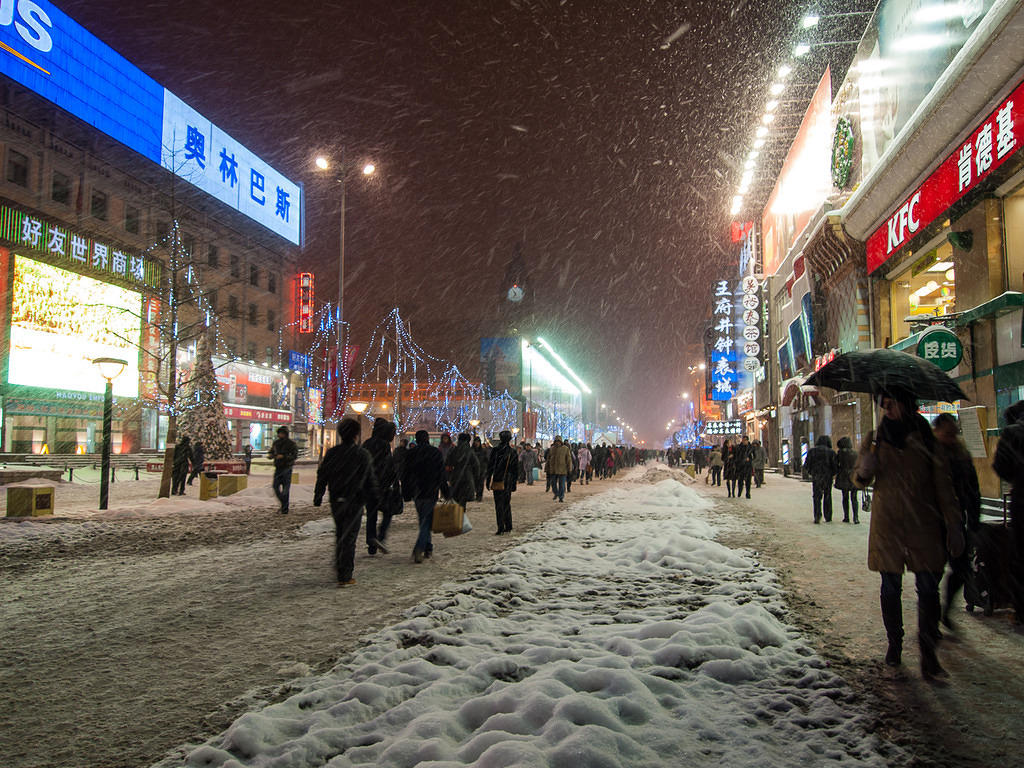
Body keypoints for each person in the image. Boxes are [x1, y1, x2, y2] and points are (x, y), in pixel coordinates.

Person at [854, 389, 964, 677]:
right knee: (890, 588)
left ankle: (928, 654)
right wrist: (865, 470)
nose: (886, 409)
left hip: (923, 525)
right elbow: (859, 479)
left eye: (891, 403)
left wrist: (954, 524)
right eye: (883, 404)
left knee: (928, 590)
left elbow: (944, 487)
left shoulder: (927, 440)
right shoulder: (875, 440)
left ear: (906, 404)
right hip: (888, 526)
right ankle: (895, 644)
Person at [313, 418, 379, 586]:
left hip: (337, 499)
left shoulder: (333, 453)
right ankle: (345, 573)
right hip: (355, 500)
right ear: (356, 435)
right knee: (349, 536)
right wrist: (374, 498)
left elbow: (323, 474)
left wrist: (318, 494)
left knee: (341, 532)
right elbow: (369, 479)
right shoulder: (362, 454)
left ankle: (340, 564)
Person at [933, 413, 981, 627]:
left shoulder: (961, 454)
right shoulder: (930, 454)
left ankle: (945, 609)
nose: (951, 435)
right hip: (932, 521)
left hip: (956, 520)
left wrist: (974, 520)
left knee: (960, 569)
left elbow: (973, 489)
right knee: (931, 573)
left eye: (953, 431)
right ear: (937, 430)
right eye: (947, 430)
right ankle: (931, 620)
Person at [992, 401, 1024, 624]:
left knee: (1020, 556)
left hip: (1023, 500)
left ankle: (1021, 610)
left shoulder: (1013, 432)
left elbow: (1000, 466)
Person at [402, 430, 447, 563]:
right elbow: (441, 474)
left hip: (417, 490)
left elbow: (405, 474)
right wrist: (445, 491)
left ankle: (428, 547)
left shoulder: (411, 454)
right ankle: (420, 547)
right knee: (426, 521)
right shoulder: (435, 453)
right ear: (427, 438)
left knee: (423, 519)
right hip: (430, 490)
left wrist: (406, 492)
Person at [363, 418, 400, 555]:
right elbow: (388, 466)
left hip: (369, 485)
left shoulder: (367, 443)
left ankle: (371, 541)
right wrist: (393, 481)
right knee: (388, 512)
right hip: (382, 485)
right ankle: (380, 537)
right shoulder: (384, 446)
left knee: (371, 514)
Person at [486, 429, 519, 534]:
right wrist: (514, 483)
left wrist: (488, 479)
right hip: (507, 480)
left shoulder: (495, 451)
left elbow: (490, 467)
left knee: (498, 504)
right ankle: (508, 525)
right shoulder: (512, 452)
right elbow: (515, 470)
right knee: (506, 503)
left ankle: (500, 526)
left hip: (498, 478)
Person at [806, 435, 837, 523]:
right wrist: (832, 473)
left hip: (816, 476)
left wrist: (811, 472)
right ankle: (828, 516)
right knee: (827, 495)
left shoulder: (812, 451)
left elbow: (807, 464)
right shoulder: (831, 452)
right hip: (827, 476)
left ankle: (817, 515)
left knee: (816, 496)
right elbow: (835, 466)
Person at [269, 426, 298, 514]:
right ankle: (284, 504)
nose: (280, 435)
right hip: (278, 467)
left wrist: (284, 457)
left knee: (285, 489)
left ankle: (285, 508)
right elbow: (272, 451)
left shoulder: (291, 444)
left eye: (282, 433)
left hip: (287, 468)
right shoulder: (276, 443)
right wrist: (271, 455)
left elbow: (294, 456)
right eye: (279, 433)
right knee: (275, 487)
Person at [447, 433, 479, 509]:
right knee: (463, 501)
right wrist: (475, 477)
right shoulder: (470, 451)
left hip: (455, 478)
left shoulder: (453, 450)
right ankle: (461, 516)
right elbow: (476, 465)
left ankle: (457, 516)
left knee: (456, 500)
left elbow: (448, 463)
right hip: (467, 478)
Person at [833, 437, 860, 523]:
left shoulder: (840, 453)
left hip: (844, 476)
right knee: (854, 498)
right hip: (853, 476)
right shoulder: (856, 453)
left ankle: (846, 517)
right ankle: (856, 518)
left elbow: (835, 464)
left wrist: (838, 472)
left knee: (845, 497)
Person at [547, 436, 573, 502]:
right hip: (553, 469)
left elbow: (568, 459)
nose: (557, 443)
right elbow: (549, 459)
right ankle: (556, 493)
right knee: (553, 484)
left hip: (562, 469)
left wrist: (569, 468)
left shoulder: (565, 449)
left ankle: (561, 497)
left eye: (558, 441)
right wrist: (547, 468)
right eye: (556, 441)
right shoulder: (552, 449)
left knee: (562, 484)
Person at [472, 436, 488, 500]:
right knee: (475, 483)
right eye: (476, 442)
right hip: (473, 469)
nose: (477, 443)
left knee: (480, 483)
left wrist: (485, 468)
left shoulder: (483, 451)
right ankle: (476, 493)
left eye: (478, 442)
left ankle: (479, 495)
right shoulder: (471, 450)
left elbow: (486, 460)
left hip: (481, 469)